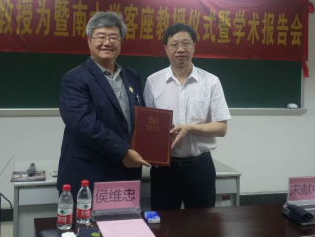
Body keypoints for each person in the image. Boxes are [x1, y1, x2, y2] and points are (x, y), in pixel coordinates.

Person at [57, 12, 150, 200]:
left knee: (124, 219)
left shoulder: (132, 76)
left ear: (121, 41)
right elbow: (84, 124)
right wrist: (124, 152)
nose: (107, 43)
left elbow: (140, 117)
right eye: (101, 37)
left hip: (127, 173)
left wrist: (157, 136)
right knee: (87, 221)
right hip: (89, 173)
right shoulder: (74, 79)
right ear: (89, 40)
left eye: (114, 37)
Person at [144, 23, 231, 210]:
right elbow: (147, 126)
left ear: (194, 46)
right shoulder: (153, 82)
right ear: (166, 49)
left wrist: (190, 128)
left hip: (200, 168)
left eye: (186, 43)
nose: (180, 49)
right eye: (174, 44)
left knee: (202, 223)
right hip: (165, 169)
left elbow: (222, 128)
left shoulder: (211, 82)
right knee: (163, 222)